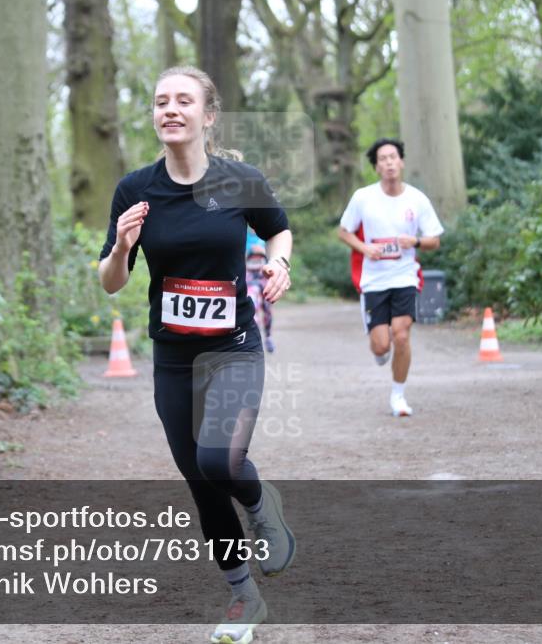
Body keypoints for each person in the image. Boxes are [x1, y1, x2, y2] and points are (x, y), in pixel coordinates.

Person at [98, 66, 295, 644]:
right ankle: (243, 597)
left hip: (234, 350)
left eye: (184, 100)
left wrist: (279, 264)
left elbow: (278, 231)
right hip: (174, 359)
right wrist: (122, 247)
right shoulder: (136, 190)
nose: (170, 110)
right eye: (161, 101)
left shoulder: (241, 180)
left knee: (220, 462)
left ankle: (261, 505)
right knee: (201, 483)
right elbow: (112, 280)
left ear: (208, 116)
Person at [337, 137, 443, 417]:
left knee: (402, 335)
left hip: (405, 277)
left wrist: (416, 242)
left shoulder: (417, 199)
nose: (389, 163)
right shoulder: (363, 197)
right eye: (383, 159)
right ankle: (379, 348)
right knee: (382, 344)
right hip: (374, 281)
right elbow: (344, 231)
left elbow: (434, 240)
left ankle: (398, 396)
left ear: (402, 162)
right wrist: (365, 248)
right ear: (377, 167)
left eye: (393, 157)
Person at [245, 242, 275, 353]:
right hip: (251, 284)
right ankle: (253, 340)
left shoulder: (264, 233)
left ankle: (268, 337)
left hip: (263, 279)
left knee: (267, 311)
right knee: (253, 308)